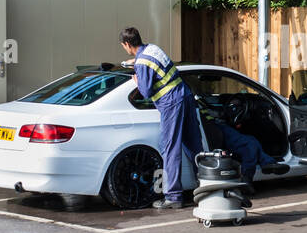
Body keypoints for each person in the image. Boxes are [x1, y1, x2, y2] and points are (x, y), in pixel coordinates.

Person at [118, 27, 203, 209]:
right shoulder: (152, 49)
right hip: (185, 95)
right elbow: (153, 63)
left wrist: (137, 81)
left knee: (170, 147)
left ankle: (173, 196)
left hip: (171, 102)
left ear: (126, 44)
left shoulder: (141, 63)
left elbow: (146, 91)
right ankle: (205, 186)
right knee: (193, 143)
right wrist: (136, 62)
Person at [198, 103, 289, 185]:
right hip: (215, 128)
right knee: (250, 143)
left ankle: (261, 166)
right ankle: (251, 174)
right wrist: (223, 114)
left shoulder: (196, 101)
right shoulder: (194, 101)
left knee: (249, 144)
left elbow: (210, 112)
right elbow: (211, 115)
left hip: (213, 127)